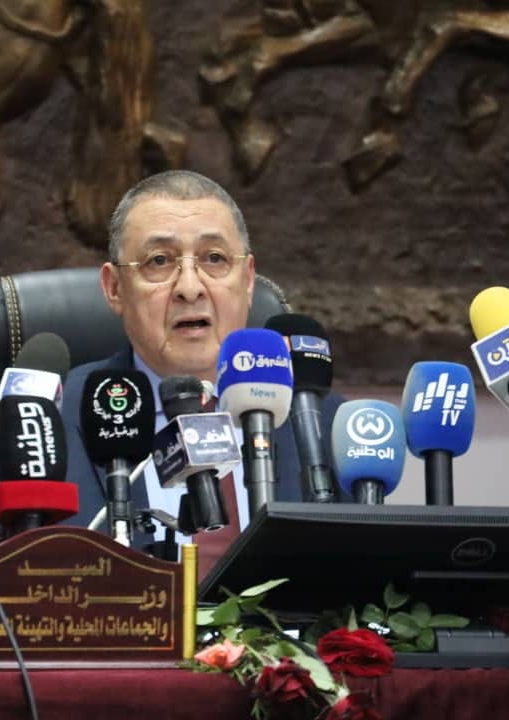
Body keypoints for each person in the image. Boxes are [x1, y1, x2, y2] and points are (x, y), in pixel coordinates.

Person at [58, 169, 349, 550]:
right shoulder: (52, 422)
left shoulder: (323, 425)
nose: (190, 288)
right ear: (115, 288)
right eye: (159, 261)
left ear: (247, 280)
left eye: (214, 258)